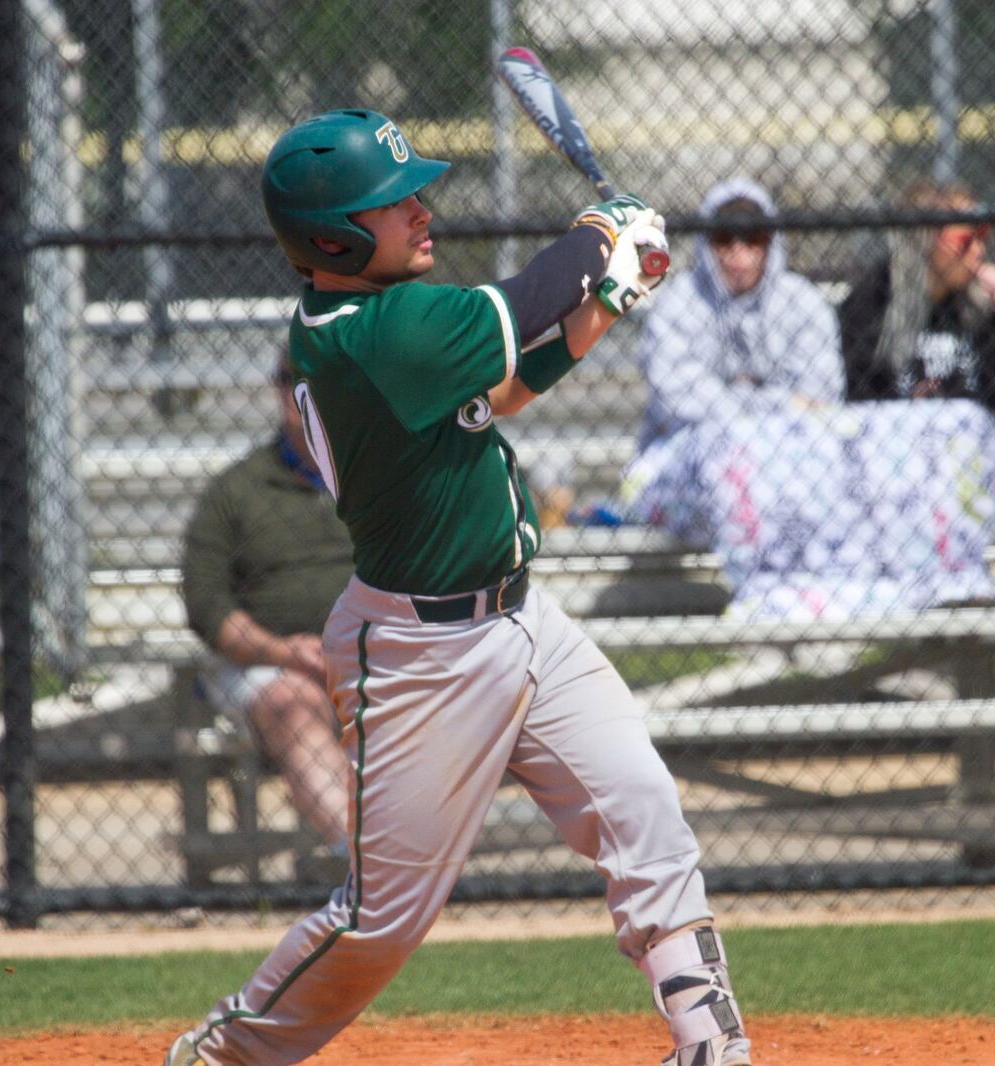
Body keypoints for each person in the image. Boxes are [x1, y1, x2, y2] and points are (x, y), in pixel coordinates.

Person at [167, 110, 752, 1066]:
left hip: (525, 619)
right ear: (335, 239)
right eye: (395, 206)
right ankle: (224, 1056)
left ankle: (708, 1045)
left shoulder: (390, 329)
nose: (424, 212)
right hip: (420, 655)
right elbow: (523, 301)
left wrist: (606, 294)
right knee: (381, 921)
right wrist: (604, 231)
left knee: (644, 809)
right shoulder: (371, 332)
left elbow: (511, 383)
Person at [180, 360, 353, 870]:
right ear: (283, 398)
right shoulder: (237, 491)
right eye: (302, 390)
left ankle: (401, 856)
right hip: (269, 661)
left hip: (372, 652)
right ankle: (362, 859)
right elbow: (206, 605)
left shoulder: (374, 477)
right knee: (292, 702)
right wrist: (286, 651)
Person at [637, 176, 844, 449]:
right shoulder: (679, 299)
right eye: (724, 239)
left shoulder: (802, 300)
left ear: (772, 241)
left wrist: (724, 403)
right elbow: (675, 400)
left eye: (753, 238)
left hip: (790, 450)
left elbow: (823, 394)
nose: (739, 254)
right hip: (692, 449)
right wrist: (784, 404)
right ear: (706, 243)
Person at [838, 180, 995, 413]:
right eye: (965, 241)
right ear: (923, 241)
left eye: (982, 237)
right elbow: (861, 393)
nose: (979, 251)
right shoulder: (873, 301)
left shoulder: (978, 303)